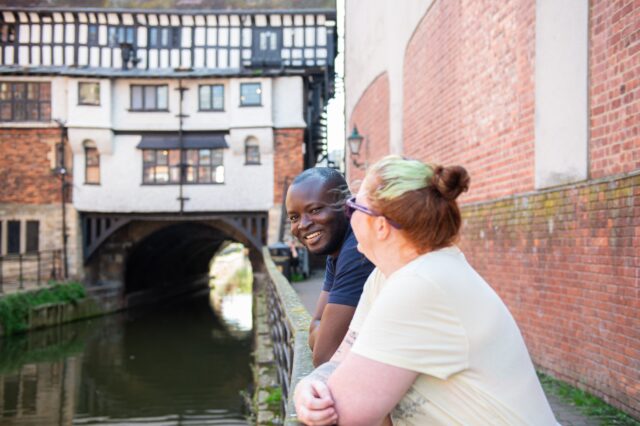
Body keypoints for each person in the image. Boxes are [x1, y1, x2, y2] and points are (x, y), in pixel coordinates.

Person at [293, 156, 558, 425]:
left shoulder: (421, 284)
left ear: (381, 225)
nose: (349, 218)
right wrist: (309, 384)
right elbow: (338, 361)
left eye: (352, 208)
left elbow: (344, 412)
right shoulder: (386, 277)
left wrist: (308, 393)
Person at [286, 167, 375, 366]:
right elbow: (316, 324)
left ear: (345, 207)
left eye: (315, 210)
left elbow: (324, 355)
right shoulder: (337, 248)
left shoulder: (357, 249)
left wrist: (325, 332)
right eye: (294, 217)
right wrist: (323, 331)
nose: (302, 224)